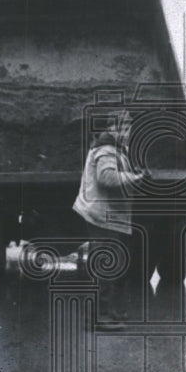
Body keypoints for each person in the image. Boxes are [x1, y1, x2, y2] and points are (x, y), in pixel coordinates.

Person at [73, 112, 142, 329]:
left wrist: (133, 173)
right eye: (127, 127)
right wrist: (136, 178)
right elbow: (107, 178)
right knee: (106, 265)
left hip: (109, 215)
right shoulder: (106, 149)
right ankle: (100, 317)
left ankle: (110, 312)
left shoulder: (116, 148)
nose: (130, 132)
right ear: (115, 128)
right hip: (102, 216)